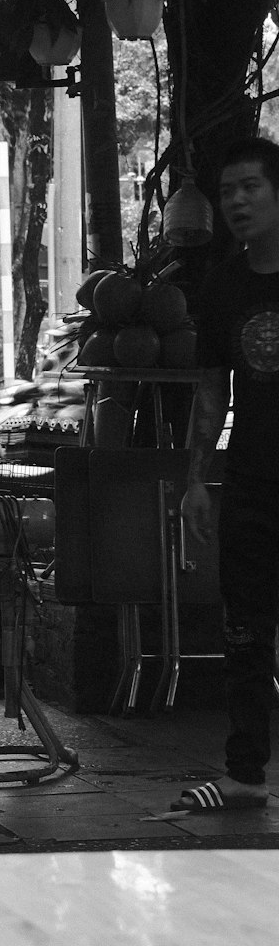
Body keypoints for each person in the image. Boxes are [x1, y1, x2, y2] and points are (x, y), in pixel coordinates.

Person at [176, 136, 279, 813]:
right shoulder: (224, 285)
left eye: (251, 186)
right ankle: (245, 773)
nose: (237, 200)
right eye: (228, 190)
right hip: (252, 482)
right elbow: (212, 393)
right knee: (243, 632)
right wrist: (195, 482)